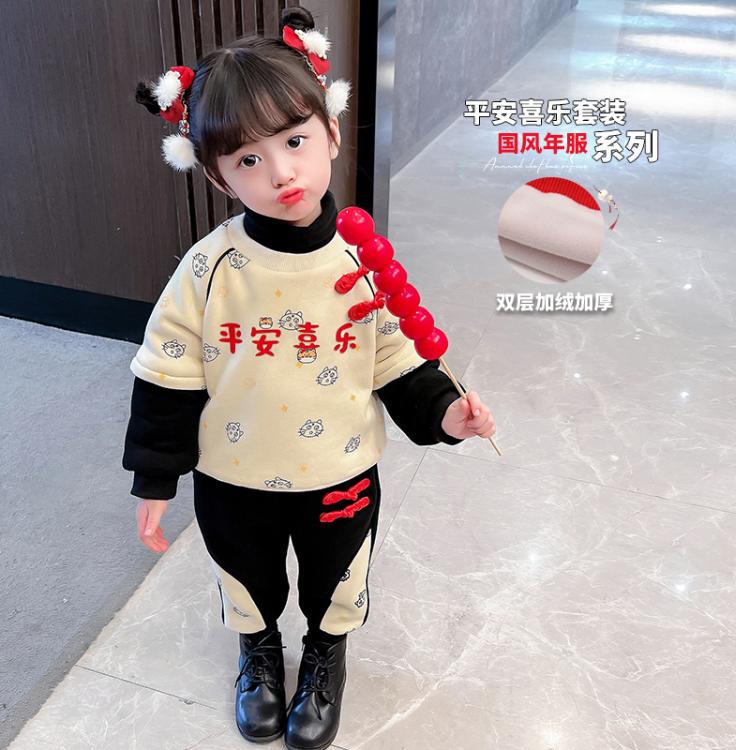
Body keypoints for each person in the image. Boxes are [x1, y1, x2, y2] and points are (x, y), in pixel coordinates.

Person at [123, 7, 496, 749]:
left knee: (336, 578)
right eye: (247, 160)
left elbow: (395, 356)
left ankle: (327, 656)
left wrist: (445, 414)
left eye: (294, 141)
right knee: (245, 574)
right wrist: (156, 477)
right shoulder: (209, 269)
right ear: (215, 174)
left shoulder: (362, 260)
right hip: (233, 473)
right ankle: (259, 652)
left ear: (330, 131)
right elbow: (167, 375)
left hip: (339, 469)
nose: (281, 172)